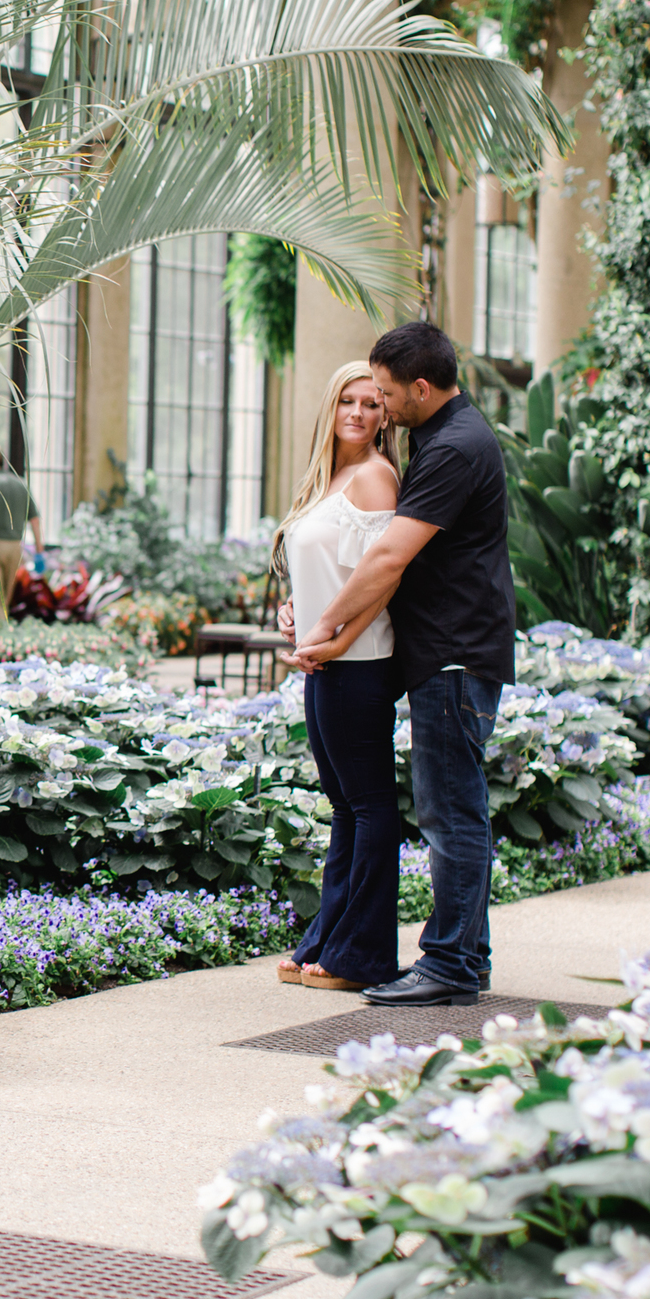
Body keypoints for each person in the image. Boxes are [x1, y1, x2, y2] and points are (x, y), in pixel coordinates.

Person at [283, 321, 515, 1009]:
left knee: (452, 814)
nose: (377, 407)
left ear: (419, 388)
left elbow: (388, 556)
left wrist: (325, 630)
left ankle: (449, 961)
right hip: (446, 654)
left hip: (454, 656)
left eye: (384, 394)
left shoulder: (454, 448)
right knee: (451, 810)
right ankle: (463, 956)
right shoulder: (446, 437)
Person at [273, 362, 403, 993]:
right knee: (346, 807)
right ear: (332, 407)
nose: (358, 413)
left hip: (359, 661)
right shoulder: (329, 479)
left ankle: (363, 956)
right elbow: (328, 569)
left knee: (371, 806)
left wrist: (335, 640)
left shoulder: (378, 477)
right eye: (347, 401)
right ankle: (329, 938)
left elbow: (383, 579)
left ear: (384, 415)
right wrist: (294, 611)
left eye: (371, 403)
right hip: (322, 660)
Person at [0, 442, 44, 621]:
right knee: (4, 598)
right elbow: (35, 519)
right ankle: (3, 633)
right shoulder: (20, 484)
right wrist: (40, 551)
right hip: (15, 547)